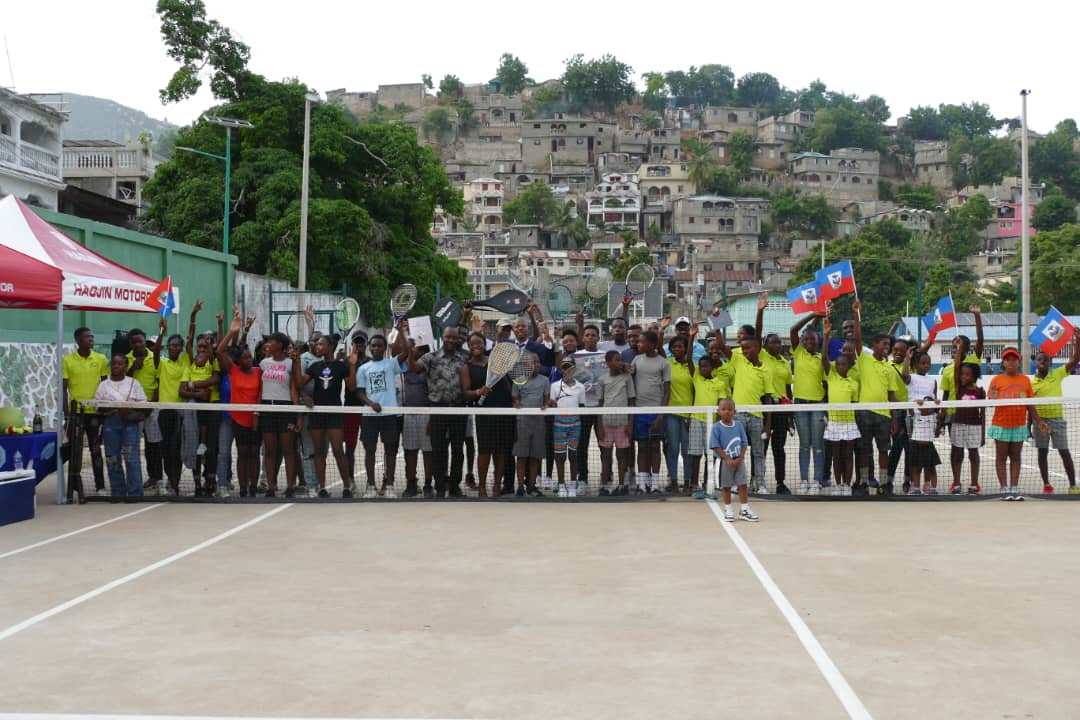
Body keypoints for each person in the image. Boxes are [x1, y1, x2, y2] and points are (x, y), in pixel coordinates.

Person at [293, 332, 353, 498]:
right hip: (317, 413)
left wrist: (352, 365)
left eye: (321, 344)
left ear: (330, 347)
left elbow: (352, 386)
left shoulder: (341, 366)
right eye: (317, 344)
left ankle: (347, 486)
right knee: (318, 451)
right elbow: (299, 384)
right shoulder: (314, 366)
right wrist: (296, 362)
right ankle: (322, 487)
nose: (317, 347)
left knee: (338, 450)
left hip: (334, 412)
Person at [851, 298, 900, 496]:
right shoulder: (864, 359)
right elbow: (857, 339)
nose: (887, 347)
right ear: (875, 345)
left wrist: (895, 417)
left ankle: (883, 484)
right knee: (863, 450)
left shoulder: (888, 368)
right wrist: (856, 313)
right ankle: (862, 482)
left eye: (889, 344)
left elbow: (892, 395)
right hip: (864, 412)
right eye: (884, 344)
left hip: (884, 415)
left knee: (882, 450)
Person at [413, 325, 469, 498]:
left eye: (454, 337)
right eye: (448, 337)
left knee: (458, 450)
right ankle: (439, 487)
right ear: (442, 338)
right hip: (438, 409)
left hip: (459, 409)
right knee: (438, 450)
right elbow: (414, 368)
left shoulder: (464, 358)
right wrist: (410, 351)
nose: (451, 340)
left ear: (458, 339)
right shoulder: (430, 357)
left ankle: (454, 487)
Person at [714, 331, 772, 493]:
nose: (745, 352)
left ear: (757, 348)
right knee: (735, 451)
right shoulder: (738, 361)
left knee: (759, 452)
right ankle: (734, 483)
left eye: (748, 349)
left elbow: (768, 398)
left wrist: (767, 425)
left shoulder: (766, 370)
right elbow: (720, 345)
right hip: (738, 416)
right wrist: (718, 327)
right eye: (743, 349)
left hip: (757, 416)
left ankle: (760, 484)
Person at [354, 326, 409, 497]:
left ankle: (390, 486)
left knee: (390, 451)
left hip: (389, 415)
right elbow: (359, 392)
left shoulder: (391, 364)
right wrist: (371, 403)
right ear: (369, 347)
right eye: (374, 346)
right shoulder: (363, 368)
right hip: (370, 416)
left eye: (380, 346)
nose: (376, 348)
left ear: (385, 348)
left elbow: (406, 353)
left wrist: (401, 332)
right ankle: (371, 486)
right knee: (369, 451)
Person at [989, 347, 1049, 500]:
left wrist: (1039, 421)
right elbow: (991, 401)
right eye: (1007, 359)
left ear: (1019, 361)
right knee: (1001, 457)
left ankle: (1014, 487)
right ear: (1003, 362)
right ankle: (1004, 488)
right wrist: (994, 394)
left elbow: (1030, 405)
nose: (1011, 362)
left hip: (1019, 424)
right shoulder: (996, 380)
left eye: (1014, 359)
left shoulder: (1025, 380)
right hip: (1001, 424)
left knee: (1016, 457)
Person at [461, 331, 515, 497]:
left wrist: (502, 373)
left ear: (485, 345)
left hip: (503, 410)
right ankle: (482, 486)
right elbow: (465, 393)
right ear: (469, 347)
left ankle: (497, 485)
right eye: (472, 344)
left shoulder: (494, 362)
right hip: (484, 413)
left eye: (479, 343)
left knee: (501, 451)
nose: (476, 346)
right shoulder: (466, 367)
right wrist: (478, 392)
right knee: (484, 451)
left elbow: (507, 387)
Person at [216, 311, 262, 497]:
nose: (249, 360)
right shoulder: (233, 371)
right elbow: (219, 351)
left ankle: (253, 486)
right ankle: (243, 488)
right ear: (238, 361)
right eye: (245, 358)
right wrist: (232, 331)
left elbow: (261, 393)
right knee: (243, 453)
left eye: (250, 357)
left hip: (255, 419)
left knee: (254, 453)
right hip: (238, 418)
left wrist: (257, 414)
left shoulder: (259, 371)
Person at [62, 326, 109, 500]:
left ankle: (100, 487)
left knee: (96, 450)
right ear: (78, 340)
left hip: (94, 413)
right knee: (75, 451)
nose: (91, 339)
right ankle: (74, 488)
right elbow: (63, 388)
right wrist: (67, 414)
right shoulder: (67, 360)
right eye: (87, 337)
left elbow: (105, 385)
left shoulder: (101, 359)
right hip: (76, 413)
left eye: (92, 336)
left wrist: (103, 408)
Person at [94, 354, 148, 502]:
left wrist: (129, 409)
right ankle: (117, 492)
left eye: (119, 364)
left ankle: (135, 493)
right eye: (114, 363)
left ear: (125, 366)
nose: (116, 366)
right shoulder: (103, 385)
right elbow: (97, 407)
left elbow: (144, 403)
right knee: (112, 458)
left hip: (129, 424)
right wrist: (112, 408)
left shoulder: (133, 383)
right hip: (111, 424)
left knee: (131, 458)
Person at [1031, 342, 1080, 494]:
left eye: (1046, 360)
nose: (1043, 362)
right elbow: (1029, 406)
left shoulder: (1057, 374)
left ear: (1050, 363)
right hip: (1040, 422)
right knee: (1042, 452)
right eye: (1040, 360)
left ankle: (1073, 485)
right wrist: (1031, 425)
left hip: (1057, 420)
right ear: (1036, 363)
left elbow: (1075, 359)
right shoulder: (1032, 383)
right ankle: (1046, 484)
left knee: (1064, 451)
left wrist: (1078, 340)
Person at [821, 314, 859, 495]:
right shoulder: (831, 376)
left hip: (849, 423)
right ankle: (837, 485)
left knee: (848, 455)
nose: (840, 366)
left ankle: (846, 484)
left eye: (844, 364)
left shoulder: (853, 383)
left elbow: (855, 403)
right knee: (836, 456)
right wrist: (826, 336)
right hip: (834, 422)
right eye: (838, 363)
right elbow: (823, 359)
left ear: (849, 366)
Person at [790, 312, 827, 494]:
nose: (809, 342)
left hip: (818, 404)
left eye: (813, 340)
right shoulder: (798, 354)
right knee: (804, 444)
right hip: (800, 404)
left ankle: (817, 481)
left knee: (818, 445)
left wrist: (822, 328)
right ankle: (804, 480)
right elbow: (794, 329)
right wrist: (815, 314)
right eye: (806, 340)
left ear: (818, 342)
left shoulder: (822, 359)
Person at [259, 329, 299, 498]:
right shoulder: (264, 363)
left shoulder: (291, 363)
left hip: (286, 408)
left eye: (272, 341)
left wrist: (298, 415)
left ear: (280, 345)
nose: (268, 344)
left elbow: (294, 389)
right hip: (267, 407)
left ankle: (290, 486)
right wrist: (257, 410)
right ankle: (271, 485)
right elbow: (260, 389)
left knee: (288, 449)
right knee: (269, 450)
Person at [126, 324, 164, 493]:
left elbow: (158, 383)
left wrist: (151, 405)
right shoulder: (126, 359)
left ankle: (156, 477)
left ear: (144, 342)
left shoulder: (155, 358)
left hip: (151, 408)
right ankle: (134, 481)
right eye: (134, 342)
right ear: (130, 344)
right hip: (132, 409)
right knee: (132, 446)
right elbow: (121, 381)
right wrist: (133, 368)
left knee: (153, 445)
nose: (137, 345)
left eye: (140, 341)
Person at [632, 330, 671, 493]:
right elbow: (628, 372)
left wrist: (660, 415)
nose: (638, 344)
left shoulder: (664, 363)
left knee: (655, 446)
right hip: (640, 410)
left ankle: (655, 484)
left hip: (656, 411)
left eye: (641, 342)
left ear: (652, 345)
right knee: (642, 447)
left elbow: (668, 391)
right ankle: (642, 484)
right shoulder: (637, 359)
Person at [710, 398, 758, 522]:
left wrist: (740, 458)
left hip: (739, 461)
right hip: (725, 462)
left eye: (730, 409)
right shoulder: (716, 427)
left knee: (742, 485)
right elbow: (715, 446)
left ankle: (744, 509)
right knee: (726, 486)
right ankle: (728, 509)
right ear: (718, 411)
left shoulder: (738, 425)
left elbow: (744, 443)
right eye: (724, 409)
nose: (727, 412)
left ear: (734, 412)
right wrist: (728, 459)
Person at [597, 349, 635, 496]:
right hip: (606, 424)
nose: (620, 362)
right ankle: (605, 486)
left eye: (621, 360)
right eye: (617, 360)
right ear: (608, 363)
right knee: (606, 456)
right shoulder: (602, 380)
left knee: (621, 456)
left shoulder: (627, 378)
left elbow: (632, 401)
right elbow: (599, 404)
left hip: (622, 423)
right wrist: (600, 426)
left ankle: (621, 485)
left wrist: (630, 425)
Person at [945, 361, 986, 495]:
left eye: (967, 375)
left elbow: (983, 414)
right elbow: (956, 370)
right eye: (962, 374)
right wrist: (959, 349)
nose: (963, 377)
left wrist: (983, 434)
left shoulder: (980, 392)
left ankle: (974, 484)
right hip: (958, 425)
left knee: (974, 455)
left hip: (975, 427)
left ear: (974, 376)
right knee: (958, 454)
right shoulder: (958, 388)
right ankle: (956, 483)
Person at [549, 357, 587, 496]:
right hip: (559, 424)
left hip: (575, 425)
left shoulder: (581, 387)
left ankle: (572, 484)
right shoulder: (554, 386)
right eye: (564, 367)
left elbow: (582, 407)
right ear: (561, 369)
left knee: (573, 455)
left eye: (569, 367)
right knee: (560, 456)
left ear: (574, 369)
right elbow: (551, 405)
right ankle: (561, 485)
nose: (567, 370)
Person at [511, 352, 547, 497]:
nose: (535, 365)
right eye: (532, 362)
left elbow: (547, 399)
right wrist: (516, 403)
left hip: (539, 422)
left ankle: (531, 486)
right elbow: (515, 398)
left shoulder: (545, 380)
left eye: (538, 362)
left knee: (535, 456)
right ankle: (520, 487)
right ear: (525, 365)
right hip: (522, 422)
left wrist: (547, 404)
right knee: (521, 455)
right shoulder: (518, 380)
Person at [401, 341, 434, 498]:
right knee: (410, 451)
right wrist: (408, 350)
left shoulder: (428, 367)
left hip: (425, 413)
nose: (415, 351)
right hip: (409, 413)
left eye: (418, 349)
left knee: (428, 452)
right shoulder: (406, 366)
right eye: (414, 349)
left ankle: (428, 484)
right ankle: (411, 483)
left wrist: (431, 418)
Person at [905, 349, 941, 495]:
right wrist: (907, 358)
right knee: (915, 460)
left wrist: (936, 406)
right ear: (916, 364)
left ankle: (928, 485)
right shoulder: (912, 378)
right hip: (914, 420)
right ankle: (916, 486)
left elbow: (935, 399)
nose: (926, 365)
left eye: (928, 363)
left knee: (928, 461)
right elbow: (904, 375)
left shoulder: (932, 381)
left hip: (929, 421)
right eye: (922, 363)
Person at [664, 334, 696, 493]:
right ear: (670, 349)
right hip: (671, 414)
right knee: (673, 449)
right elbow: (658, 349)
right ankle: (674, 482)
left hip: (688, 414)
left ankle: (688, 482)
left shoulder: (692, 366)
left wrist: (691, 415)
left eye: (680, 346)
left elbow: (696, 391)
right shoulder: (668, 364)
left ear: (685, 349)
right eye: (674, 347)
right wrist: (661, 330)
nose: (677, 349)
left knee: (686, 450)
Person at [885, 337, 912, 491]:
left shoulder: (910, 366)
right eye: (895, 350)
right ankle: (889, 480)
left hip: (910, 413)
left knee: (909, 449)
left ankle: (907, 480)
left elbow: (906, 378)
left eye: (902, 351)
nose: (898, 353)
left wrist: (908, 359)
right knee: (896, 447)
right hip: (895, 412)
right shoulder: (888, 366)